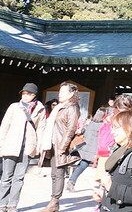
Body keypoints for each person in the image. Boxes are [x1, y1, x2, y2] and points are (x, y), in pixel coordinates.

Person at [0, 82, 46, 212]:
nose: (25, 96)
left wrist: (39, 145)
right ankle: (2, 204)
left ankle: (12, 205)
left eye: (28, 94)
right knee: (6, 177)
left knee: (19, 178)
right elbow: (4, 126)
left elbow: (41, 128)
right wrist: (1, 144)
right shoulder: (14, 107)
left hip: (27, 146)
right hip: (11, 144)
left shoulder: (40, 109)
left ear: (34, 95)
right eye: (24, 93)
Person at [38, 81, 81, 212]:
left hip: (61, 144)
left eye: (63, 92)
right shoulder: (60, 106)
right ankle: (54, 202)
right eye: (59, 91)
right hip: (53, 142)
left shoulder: (72, 107)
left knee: (59, 174)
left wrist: (63, 147)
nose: (60, 94)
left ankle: (54, 202)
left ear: (72, 93)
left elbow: (71, 129)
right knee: (54, 174)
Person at [67, 106, 107, 192]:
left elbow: (83, 132)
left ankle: (71, 182)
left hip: (85, 147)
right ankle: (103, 186)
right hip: (96, 150)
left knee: (82, 166)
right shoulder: (103, 126)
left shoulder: (90, 123)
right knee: (102, 168)